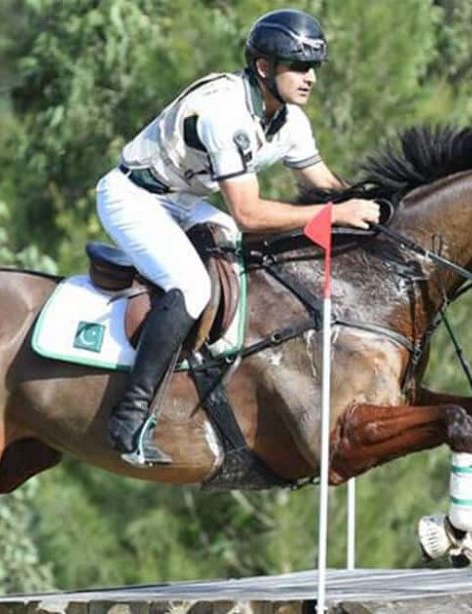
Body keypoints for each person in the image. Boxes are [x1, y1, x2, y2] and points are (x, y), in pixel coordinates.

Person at [97, 8, 380, 466]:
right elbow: (248, 212)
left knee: (232, 250)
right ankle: (128, 418)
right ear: (265, 68)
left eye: (313, 68)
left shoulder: (289, 121)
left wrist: (379, 207)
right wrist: (334, 214)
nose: (309, 78)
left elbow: (325, 186)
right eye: (298, 67)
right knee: (191, 286)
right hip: (132, 197)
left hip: (183, 199)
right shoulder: (224, 112)